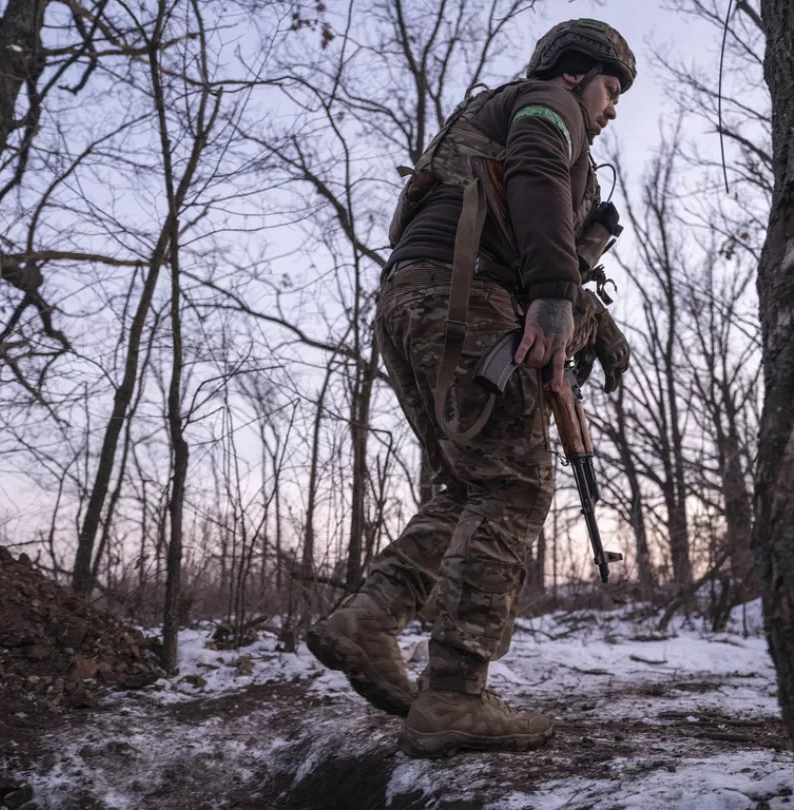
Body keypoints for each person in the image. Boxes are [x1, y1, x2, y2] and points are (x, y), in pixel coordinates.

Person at [306, 18, 634, 758]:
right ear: (575, 74)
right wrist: (553, 293)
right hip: (463, 301)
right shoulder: (546, 107)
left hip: (417, 303)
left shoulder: (500, 117)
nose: (611, 110)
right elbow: (537, 172)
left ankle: (368, 620)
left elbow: (522, 212)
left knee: (466, 487)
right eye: (611, 90)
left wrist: (591, 322)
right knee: (515, 486)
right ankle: (454, 694)